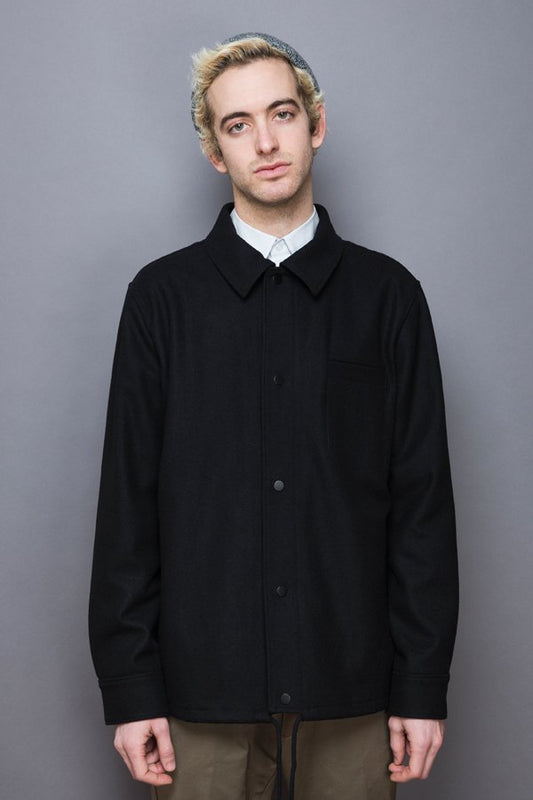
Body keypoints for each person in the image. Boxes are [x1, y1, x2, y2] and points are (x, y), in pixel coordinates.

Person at [89, 32, 459, 800]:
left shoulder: (388, 298)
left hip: (352, 688)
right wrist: (130, 688)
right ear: (213, 152)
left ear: (314, 125)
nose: (264, 142)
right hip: (200, 694)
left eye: (281, 114)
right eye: (237, 124)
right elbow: (127, 507)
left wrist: (421, 684)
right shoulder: (160, 300)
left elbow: (421, 507)